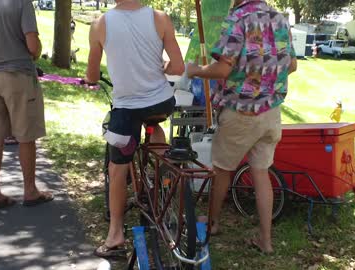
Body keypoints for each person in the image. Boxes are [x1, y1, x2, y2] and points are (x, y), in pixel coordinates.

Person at [187, 0, 297, 254]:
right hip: (271, 111)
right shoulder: (279, 18)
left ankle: (213, 224)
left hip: (241, 111)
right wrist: (266, 81)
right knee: (261, 172)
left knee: (222, 169)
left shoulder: (238, 18)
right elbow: (291, 65)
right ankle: (265, 240)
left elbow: (222, 69)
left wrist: (195, 70)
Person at [84, 0, 185, 258]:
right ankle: (163, 175)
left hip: (126, 109)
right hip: (161, 102)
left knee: (116, 169)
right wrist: (162, 66)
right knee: (154, 123)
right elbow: (178, 67)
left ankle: (115, 233)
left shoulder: (100, 24)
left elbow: (93, 76)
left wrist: (89, 79)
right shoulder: (160, 18)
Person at [0, 0, 54, 212]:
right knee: (26, 135)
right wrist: (35, 53)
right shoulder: (22, 2)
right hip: (17, 76)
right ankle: (30, 191)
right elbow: (33, 46)